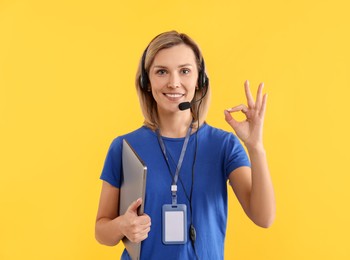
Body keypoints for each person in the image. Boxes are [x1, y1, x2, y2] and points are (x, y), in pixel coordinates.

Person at [95, 30, 275, 260]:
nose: (174, 82)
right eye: (161, 72)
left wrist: (255, 147)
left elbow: (264, 218)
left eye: (185, 71)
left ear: (199, 81)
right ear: (146, 82)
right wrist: (122, 226)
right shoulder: (124, 146)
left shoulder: (224, 145)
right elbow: (101, 231)